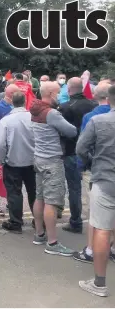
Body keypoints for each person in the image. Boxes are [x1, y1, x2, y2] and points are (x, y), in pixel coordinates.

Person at [76, 84, 115, 297]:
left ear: (108, 100)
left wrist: (93, 162)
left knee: (101, 229)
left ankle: (99, 283)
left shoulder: (98, 121)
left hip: (105, 179)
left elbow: (81, 148)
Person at [30, 81, 78, 255]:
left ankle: (39, 234)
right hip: (52, 160)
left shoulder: (34, 109)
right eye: (58, 92)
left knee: (39, 197)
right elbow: (71, 131)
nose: (60, 95)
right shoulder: (51, 113)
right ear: (50, 94)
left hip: (39, 157)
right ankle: (52, 242)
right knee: (52, 202)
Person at [58, 77, 97, 234]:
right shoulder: (93, 105)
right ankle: (97, 221)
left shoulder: (65, 107)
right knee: (93, 189)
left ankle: (76, 222)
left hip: (71, 151)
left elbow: (61, 132)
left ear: (69, 89)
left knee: (74, 189)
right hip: (91, 152)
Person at [0, 92, 36, 233]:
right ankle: (38, 221)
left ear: (12, 102)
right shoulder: (33, 118)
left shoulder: (6, 121)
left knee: (14, 193)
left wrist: (0, 160)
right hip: (33, 161)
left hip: (13, 162)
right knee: (34, 192)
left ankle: (16, 222)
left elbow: (0, 143)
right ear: (25, 101)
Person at [0, 84, 20, 215]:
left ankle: (10, 202)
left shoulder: (18, 106)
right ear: (11, 94)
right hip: (2, 146)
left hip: (14, 146)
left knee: (12, 177)